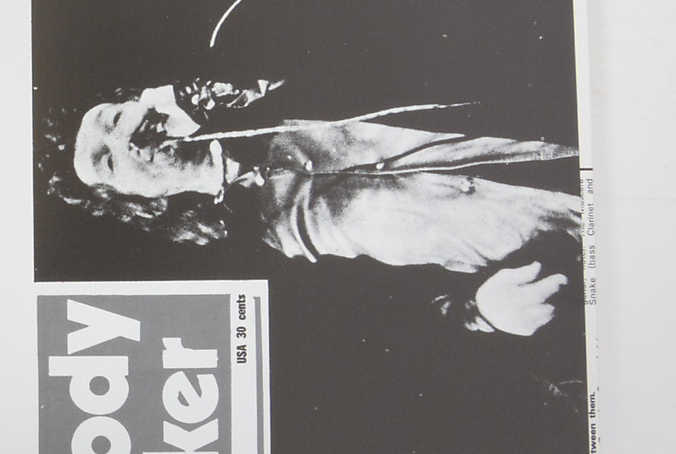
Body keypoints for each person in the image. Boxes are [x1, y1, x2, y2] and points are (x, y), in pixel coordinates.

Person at [49, 80, 582, 336]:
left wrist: (231, 84)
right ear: (136, 204)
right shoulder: (256, 259)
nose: (126, 140)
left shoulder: (261, 86)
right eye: (107, 162)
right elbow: (390, 325)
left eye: (112, 118)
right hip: (575, 254)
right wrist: (478, 311)